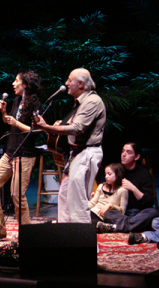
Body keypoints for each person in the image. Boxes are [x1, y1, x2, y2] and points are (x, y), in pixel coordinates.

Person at [34, 68, 105, 223]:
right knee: (65, 196)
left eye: (69, 80)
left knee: (78, 201)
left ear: (81, 84)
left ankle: (83, 243)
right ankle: (65, 236)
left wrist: (47, 127)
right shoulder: (80, 103)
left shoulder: (92, 101)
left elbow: (77, 128)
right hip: (77, 154)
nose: (66, 83)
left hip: (87, 153)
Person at [0, 70, 42, 240]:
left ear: (25, 84)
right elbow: (10, 123)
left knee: (16, 194)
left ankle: (27, 234)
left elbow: (36, 130)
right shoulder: (17, 100)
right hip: (10, 152)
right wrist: (4, 113)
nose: (13, 83)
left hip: (25, 154)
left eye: (16, 81)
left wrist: (16, 122)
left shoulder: (35, 104)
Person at [96, 142, 159, 232]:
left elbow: (149, 201)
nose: (124, 155)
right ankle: (132, 226)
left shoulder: (144, 174)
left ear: (136, 157)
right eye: (123, 151)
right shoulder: (118, 171)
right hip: (120, 212)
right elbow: (108, 189)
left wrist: (133, 188)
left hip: (138, 212)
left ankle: (118, 227)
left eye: (129, 152)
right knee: (108, 213)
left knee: (152, 213)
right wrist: (98, 193)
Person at [89, 163, 128, 228]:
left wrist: (111, 205)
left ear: (118, 175)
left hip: (106, 217)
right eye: (105, 174)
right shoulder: (101, 186)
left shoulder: (123, 190)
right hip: (93, 212)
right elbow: (92, 203)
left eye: (109, 174)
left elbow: (123, 211)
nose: (106, 176)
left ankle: (102, 226)